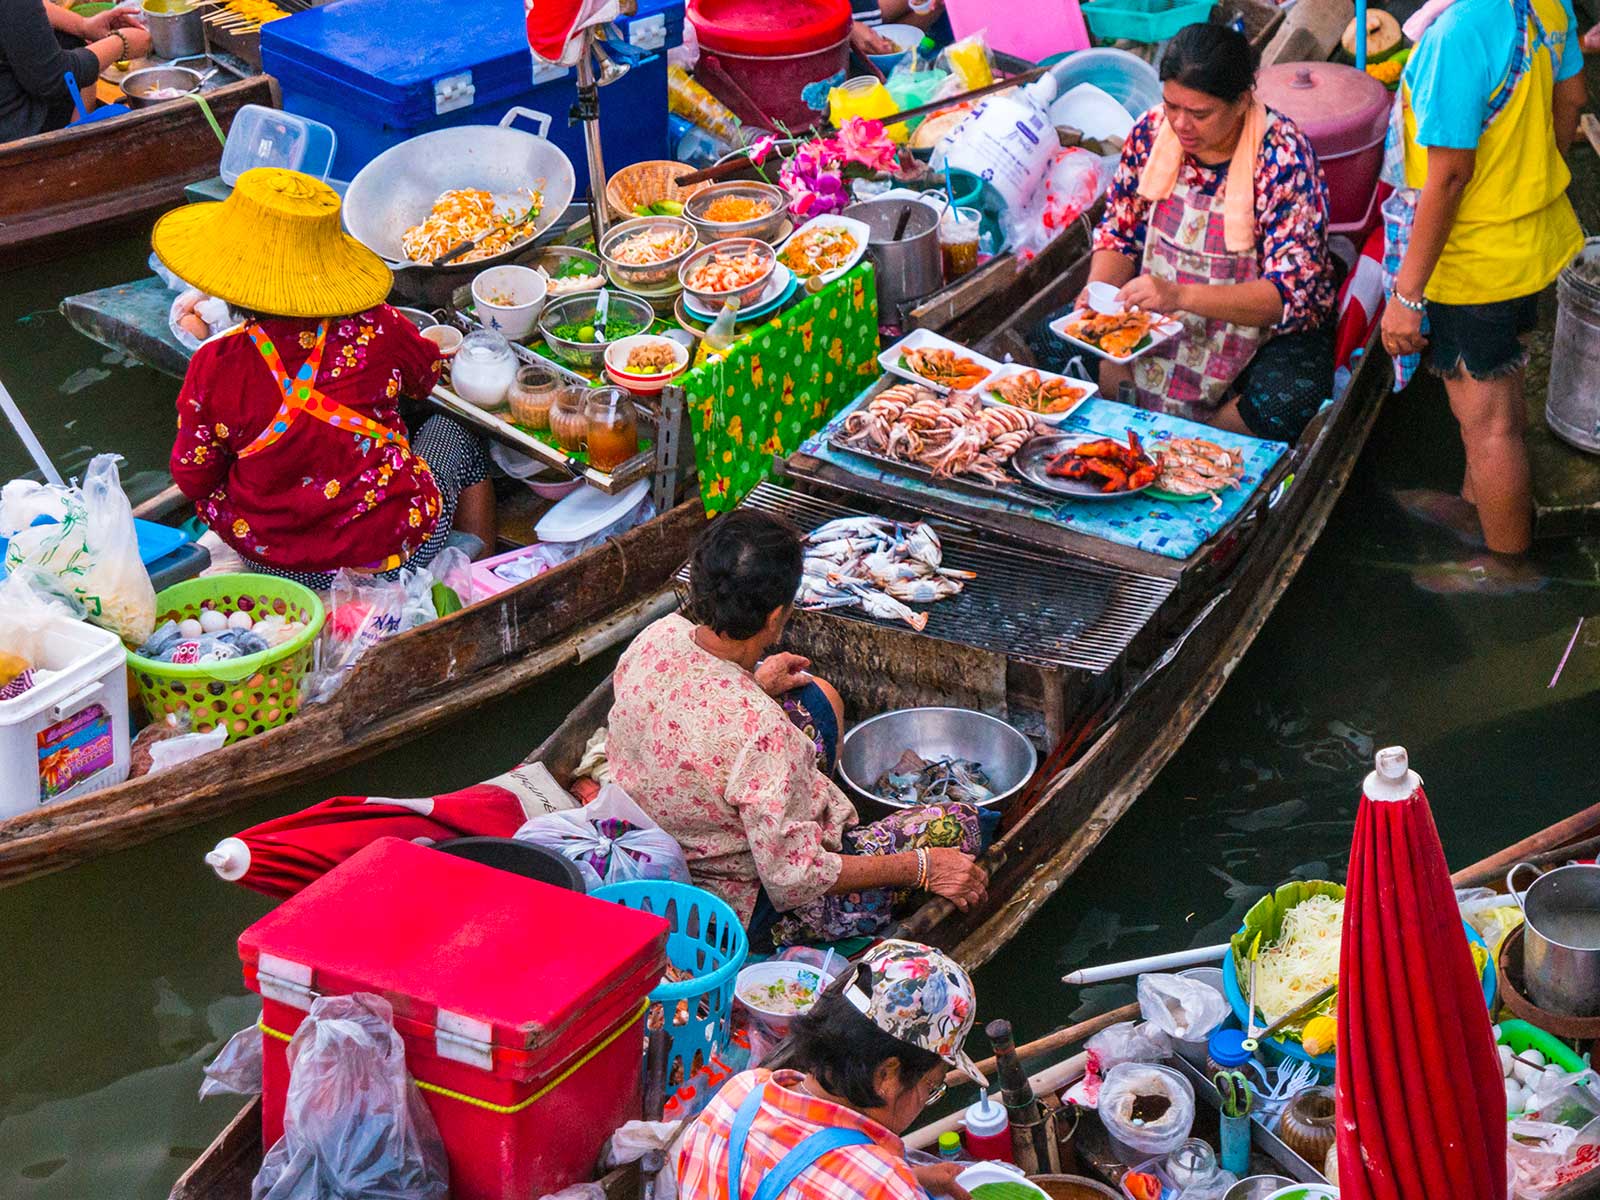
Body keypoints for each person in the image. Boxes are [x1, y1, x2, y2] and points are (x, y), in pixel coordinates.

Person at [607, 509, 987, 948]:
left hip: (667, 839)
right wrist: (922, 866)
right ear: (774, 618)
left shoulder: (657, 637)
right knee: (960, 823)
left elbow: (696, 709)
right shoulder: (760, 730)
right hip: (739, 906)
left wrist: (754, 681)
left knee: (818, 698)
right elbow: (795, 878)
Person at [159, 167, 494, 590]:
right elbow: (425, 378)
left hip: (276, 563)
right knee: (458, 431)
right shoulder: (375, 325)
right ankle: (481, 586)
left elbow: (193, 477)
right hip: (391, 552)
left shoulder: (212, 362)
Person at [1382, 0, 1585, 591]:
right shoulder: (1545, 4)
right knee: (1497, 396)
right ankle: (1479, 508)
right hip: (1529, 238)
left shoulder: (1455, 34)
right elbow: (1571, 102)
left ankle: (1507, 563)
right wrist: (1529, 177)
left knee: (1487, 422)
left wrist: (1408, 295)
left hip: (1473, 260)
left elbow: (1448, 175)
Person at [1082, 24, 1337, 444]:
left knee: (1284, 404)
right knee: (1051, 343)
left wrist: (1180, 296)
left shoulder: (1284, 156)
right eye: (1171, 106)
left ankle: (1200, 443)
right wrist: (1097, 297)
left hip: (1257, 326)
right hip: (1154, 313)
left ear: (1241, 102)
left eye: (1200, 114)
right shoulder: (1150, 134)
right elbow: (1120, 232)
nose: (1181, 124)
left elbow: (1288, 296)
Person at [678, 939, 983, 1200]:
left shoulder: (741, 1092)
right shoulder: (884, 1187)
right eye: (931, 1087)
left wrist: (910, 1177)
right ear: (887, 1076)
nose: (925, 1100)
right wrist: (898, 1183)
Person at [0, 0, 150, 141]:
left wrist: (82, 25)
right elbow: (53, 78)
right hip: (17, 140)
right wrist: (120, 44)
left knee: (71, 41)